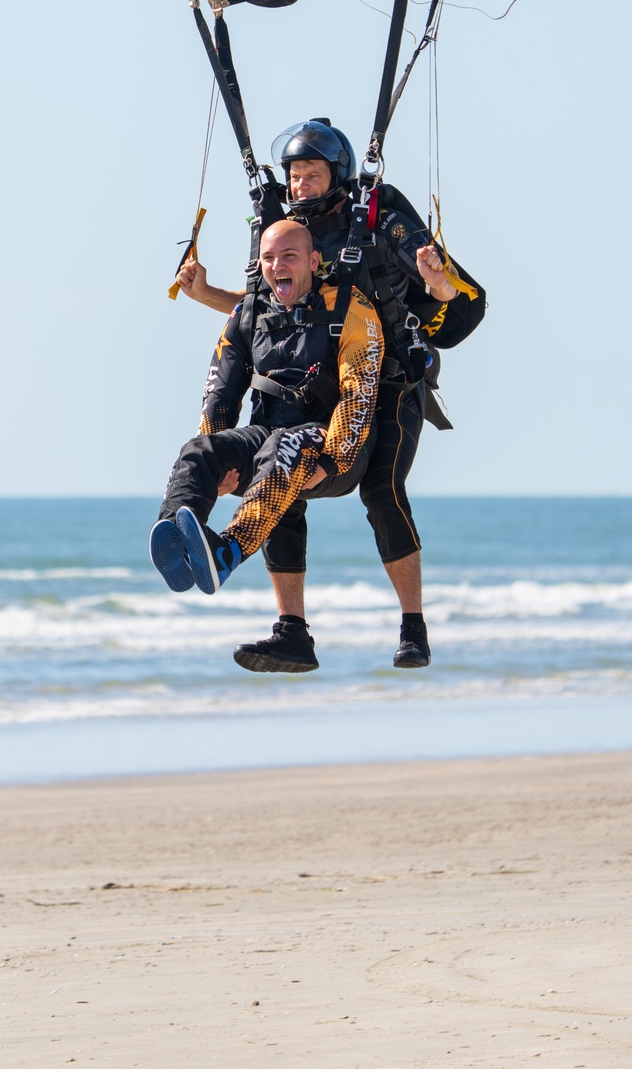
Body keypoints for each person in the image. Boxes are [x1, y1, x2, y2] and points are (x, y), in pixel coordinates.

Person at [176, 118, 485, 669]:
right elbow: (272, 314)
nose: (299, 188)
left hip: (384, 380)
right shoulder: (284, 231)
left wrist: (437, 284)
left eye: (312, 176)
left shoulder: (379, 220)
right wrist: (205, 295)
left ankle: (413, 625)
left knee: (383, 493)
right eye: (294, 177)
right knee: (281, 476)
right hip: (313, 381)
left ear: (335, 177)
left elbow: (462, 301)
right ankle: (292, 630)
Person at [151, 219, 383, 674]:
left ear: (314, 262)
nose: (278, 265)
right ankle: (177, 537)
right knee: (197, 451)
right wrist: (216, 456)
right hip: (267, 441)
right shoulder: (249, 312)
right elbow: (221, 388)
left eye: (290, 256)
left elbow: (360, 393)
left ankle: (226, 552)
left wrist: (334, 461)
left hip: (329, 446)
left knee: (284, 445)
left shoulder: (350, 308)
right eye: (270, 258)